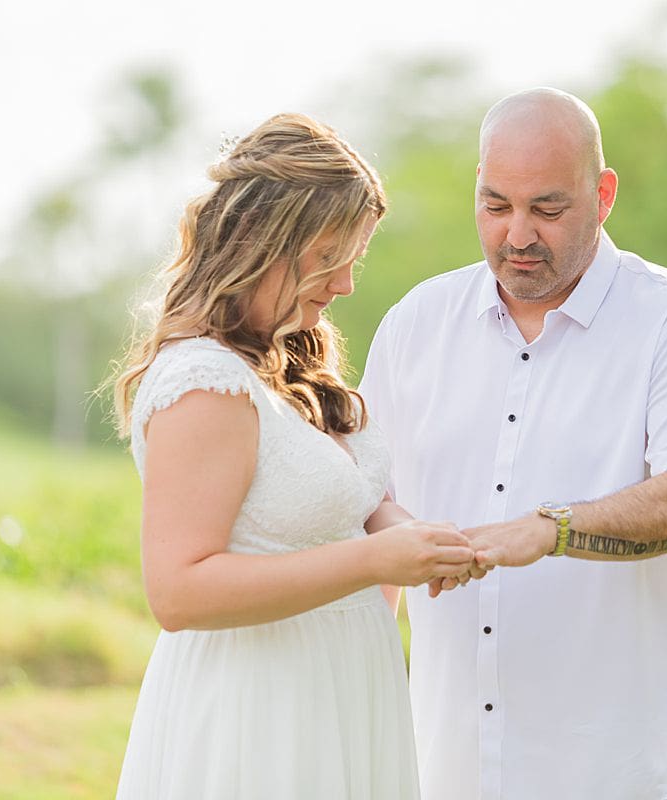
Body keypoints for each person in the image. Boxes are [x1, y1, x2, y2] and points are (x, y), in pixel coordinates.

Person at [358, 88, 667, 800]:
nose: (518, 234)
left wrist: (549, 529)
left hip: (629, 775)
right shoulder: (414, 325)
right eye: (496, 205)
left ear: (602, 195)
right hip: (450, 771)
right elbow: (367, 508)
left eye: (548, 208)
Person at [110, 113, 472, 799]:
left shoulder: (290, 359)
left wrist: (409, 537)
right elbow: (178, 590)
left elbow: (346, 504)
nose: (345, 287)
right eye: (332, 258)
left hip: (341, 688)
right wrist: (374, 562)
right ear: (264, 241)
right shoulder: (203, 383)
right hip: (260, 711)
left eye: (354, 262)